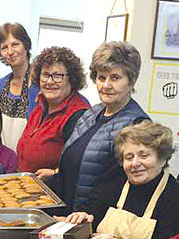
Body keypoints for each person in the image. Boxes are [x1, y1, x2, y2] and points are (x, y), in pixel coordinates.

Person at [42, 42, 149, 212]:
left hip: (95, 223)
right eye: (101, 77)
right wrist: (56, 176)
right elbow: (83, 167)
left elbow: (119, 186)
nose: (106, 85)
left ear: (131, 81)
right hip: (69, 216)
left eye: (115, 78)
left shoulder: (137, 125)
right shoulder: (92, 113)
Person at [66, 121, 179, 239]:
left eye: (144, 156)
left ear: (162, 159)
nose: (135, 163)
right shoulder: (115, 185)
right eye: (129, 157)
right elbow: (92, 216)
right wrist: (83, 218)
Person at [16, 46, 89, 174]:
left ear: (71, 79)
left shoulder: (78, 115)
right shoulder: (41, 105)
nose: (49, 81)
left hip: (54, 191)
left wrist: (55, 173)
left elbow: (79, 166)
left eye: (57, 76)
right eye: (45, 75)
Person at [0, 22, 40, 151]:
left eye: (15, 44)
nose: (10, 52)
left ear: (26, 45)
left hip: (31, 156)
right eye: (4, 48)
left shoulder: (41, 84)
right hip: (4, 158)